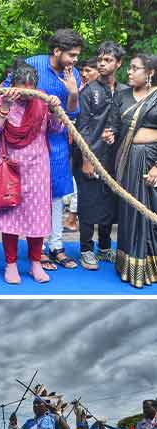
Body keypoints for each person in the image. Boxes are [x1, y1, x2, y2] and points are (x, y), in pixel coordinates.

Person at [0, 64, 65, 284]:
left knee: (37, 215)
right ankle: (10, 264)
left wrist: (56, 110)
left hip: (38, 166)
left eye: (31, 87)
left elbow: (57, 129)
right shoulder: (0, 99)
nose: (27, 92)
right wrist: (5, 107)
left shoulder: (42, 100)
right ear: (13, 85)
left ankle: (35, 263)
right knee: (10, 216)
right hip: (9, 166)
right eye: (23, 87)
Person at [18, 29, 84, 270]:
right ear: (57, 51)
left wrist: (73, 92)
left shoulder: (73, 74)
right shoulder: (32, 63)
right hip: (30, 139)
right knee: (34, 193)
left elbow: (73, 114)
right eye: (72, 55)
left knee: (56, 193)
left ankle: (56, 245)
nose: (75, 60)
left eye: (77, 55)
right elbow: (9, 91)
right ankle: (39, 247)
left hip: (56, 140)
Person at [74, 42, 127, 270]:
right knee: (88, 203)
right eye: (100, 60)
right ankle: (86, 250)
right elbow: (82, 128)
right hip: (89, 156)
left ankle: (105, 248)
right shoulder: (88, 91)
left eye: (108, 60)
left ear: (119, 63)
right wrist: (87, 159)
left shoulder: (125, 91)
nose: (102, 64)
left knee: (109, 203)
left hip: (114, 158)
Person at [109, 53, 157, 287]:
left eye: (135, 68)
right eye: (129, 67)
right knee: (131, 211)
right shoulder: (123, 96)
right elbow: (114, 127)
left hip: (152, 160)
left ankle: (150, 265)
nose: (129, 71)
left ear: (150, 73)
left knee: (149, 212)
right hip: (128, 160)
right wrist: (110, 136)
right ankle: (130, 264)